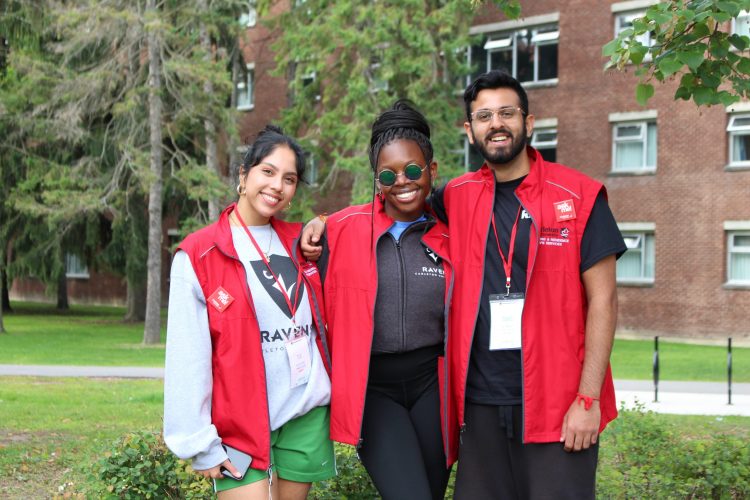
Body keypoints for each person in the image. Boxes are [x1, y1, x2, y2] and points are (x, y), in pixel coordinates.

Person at [432, 70, 627, 499]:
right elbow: (398, 203)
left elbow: (605, 301)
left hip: (559, 406)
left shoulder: (579, 196)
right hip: (479, 407)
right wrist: (318, 226)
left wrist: (588, 401)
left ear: (529, 122)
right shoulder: (455, 196)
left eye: (506, 113)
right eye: (483, 116)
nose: (496, 124)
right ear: (469, 131)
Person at [163, 125, 335, 500]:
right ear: (244, 175)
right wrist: (198, 441)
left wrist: (321, 219)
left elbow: (361, 222)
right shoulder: (198, 254)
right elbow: (186, 357)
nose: (277, 186)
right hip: (238, 421)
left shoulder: (302, 241)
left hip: (302, 410)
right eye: (268, 172)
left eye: (289, 179)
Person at [314, 100, 452, 500]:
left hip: (433, 385)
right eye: (388, 175)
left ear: (432, 171)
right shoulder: (339, 230)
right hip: (374, 389)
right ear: (376, 179)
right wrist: (315, 224)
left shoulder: (453, 228)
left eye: (412, 170)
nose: (402, 182)